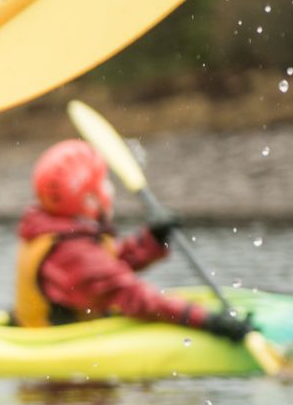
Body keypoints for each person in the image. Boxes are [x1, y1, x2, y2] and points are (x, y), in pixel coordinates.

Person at [13, 139, 250, 339]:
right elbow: (135, 298)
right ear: (87, 200)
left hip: (59, 333)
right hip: (59, 359)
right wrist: (207, 321)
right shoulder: (72, 253)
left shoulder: (59, 234)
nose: (111, 190)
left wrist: (153, 239)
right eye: (103, 183)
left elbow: (109, 268)